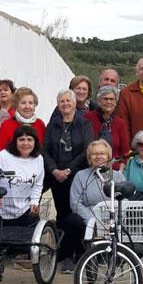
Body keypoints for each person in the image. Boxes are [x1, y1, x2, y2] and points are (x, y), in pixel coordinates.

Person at [60, 140, 125, 273]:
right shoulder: (81, 176)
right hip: (88, 219)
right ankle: (70, 257)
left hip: (110, 219)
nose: (98, 156)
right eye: (94, 154)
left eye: (102, 153)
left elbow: (124, 200)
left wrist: (108, 220)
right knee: (71, 220)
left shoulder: (118, 176)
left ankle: (111, 254)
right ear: (89, 158)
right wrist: (93, 221)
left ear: (108, 157)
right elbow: (76, 203)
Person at [43, 89, 94, 225]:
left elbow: (87, 150)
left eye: (68, 100)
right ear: (58, 105)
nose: (65, 103)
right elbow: (44, 150)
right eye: (62, 101)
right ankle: (60, 244)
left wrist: (69, 170)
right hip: (56, 176)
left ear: (75, 102)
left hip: (77, 175)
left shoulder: (84, 124)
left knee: (76, 212)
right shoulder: (52, 124)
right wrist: (54, 170)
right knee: (61, 211)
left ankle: (76, 244)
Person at [0, 124, 45, 227]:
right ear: (15, 141)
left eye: (29, 139)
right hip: (0, 211)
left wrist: (34, 202)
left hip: (25, 210)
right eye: (21, 139)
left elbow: (38, 184)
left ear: (35, 142)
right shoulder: (3, 157)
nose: (26, 143)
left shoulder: (39, 159)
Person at [84, 85, 130, 169]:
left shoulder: (120, 122)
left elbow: (125, 152)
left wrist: (120, 171)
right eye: (105, 99)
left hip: (114, 171)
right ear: (99, 101)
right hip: (90, 170)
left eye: (111, 99)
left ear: (116, 102)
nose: (108, 102)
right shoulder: (87, 118)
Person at [0, 86, 46, 153]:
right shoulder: (7, 125)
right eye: (23, 103)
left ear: (34, 105)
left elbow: (45, 151)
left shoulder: (40, 124)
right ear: (16, 106)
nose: (27, 107)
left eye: (30, 103)